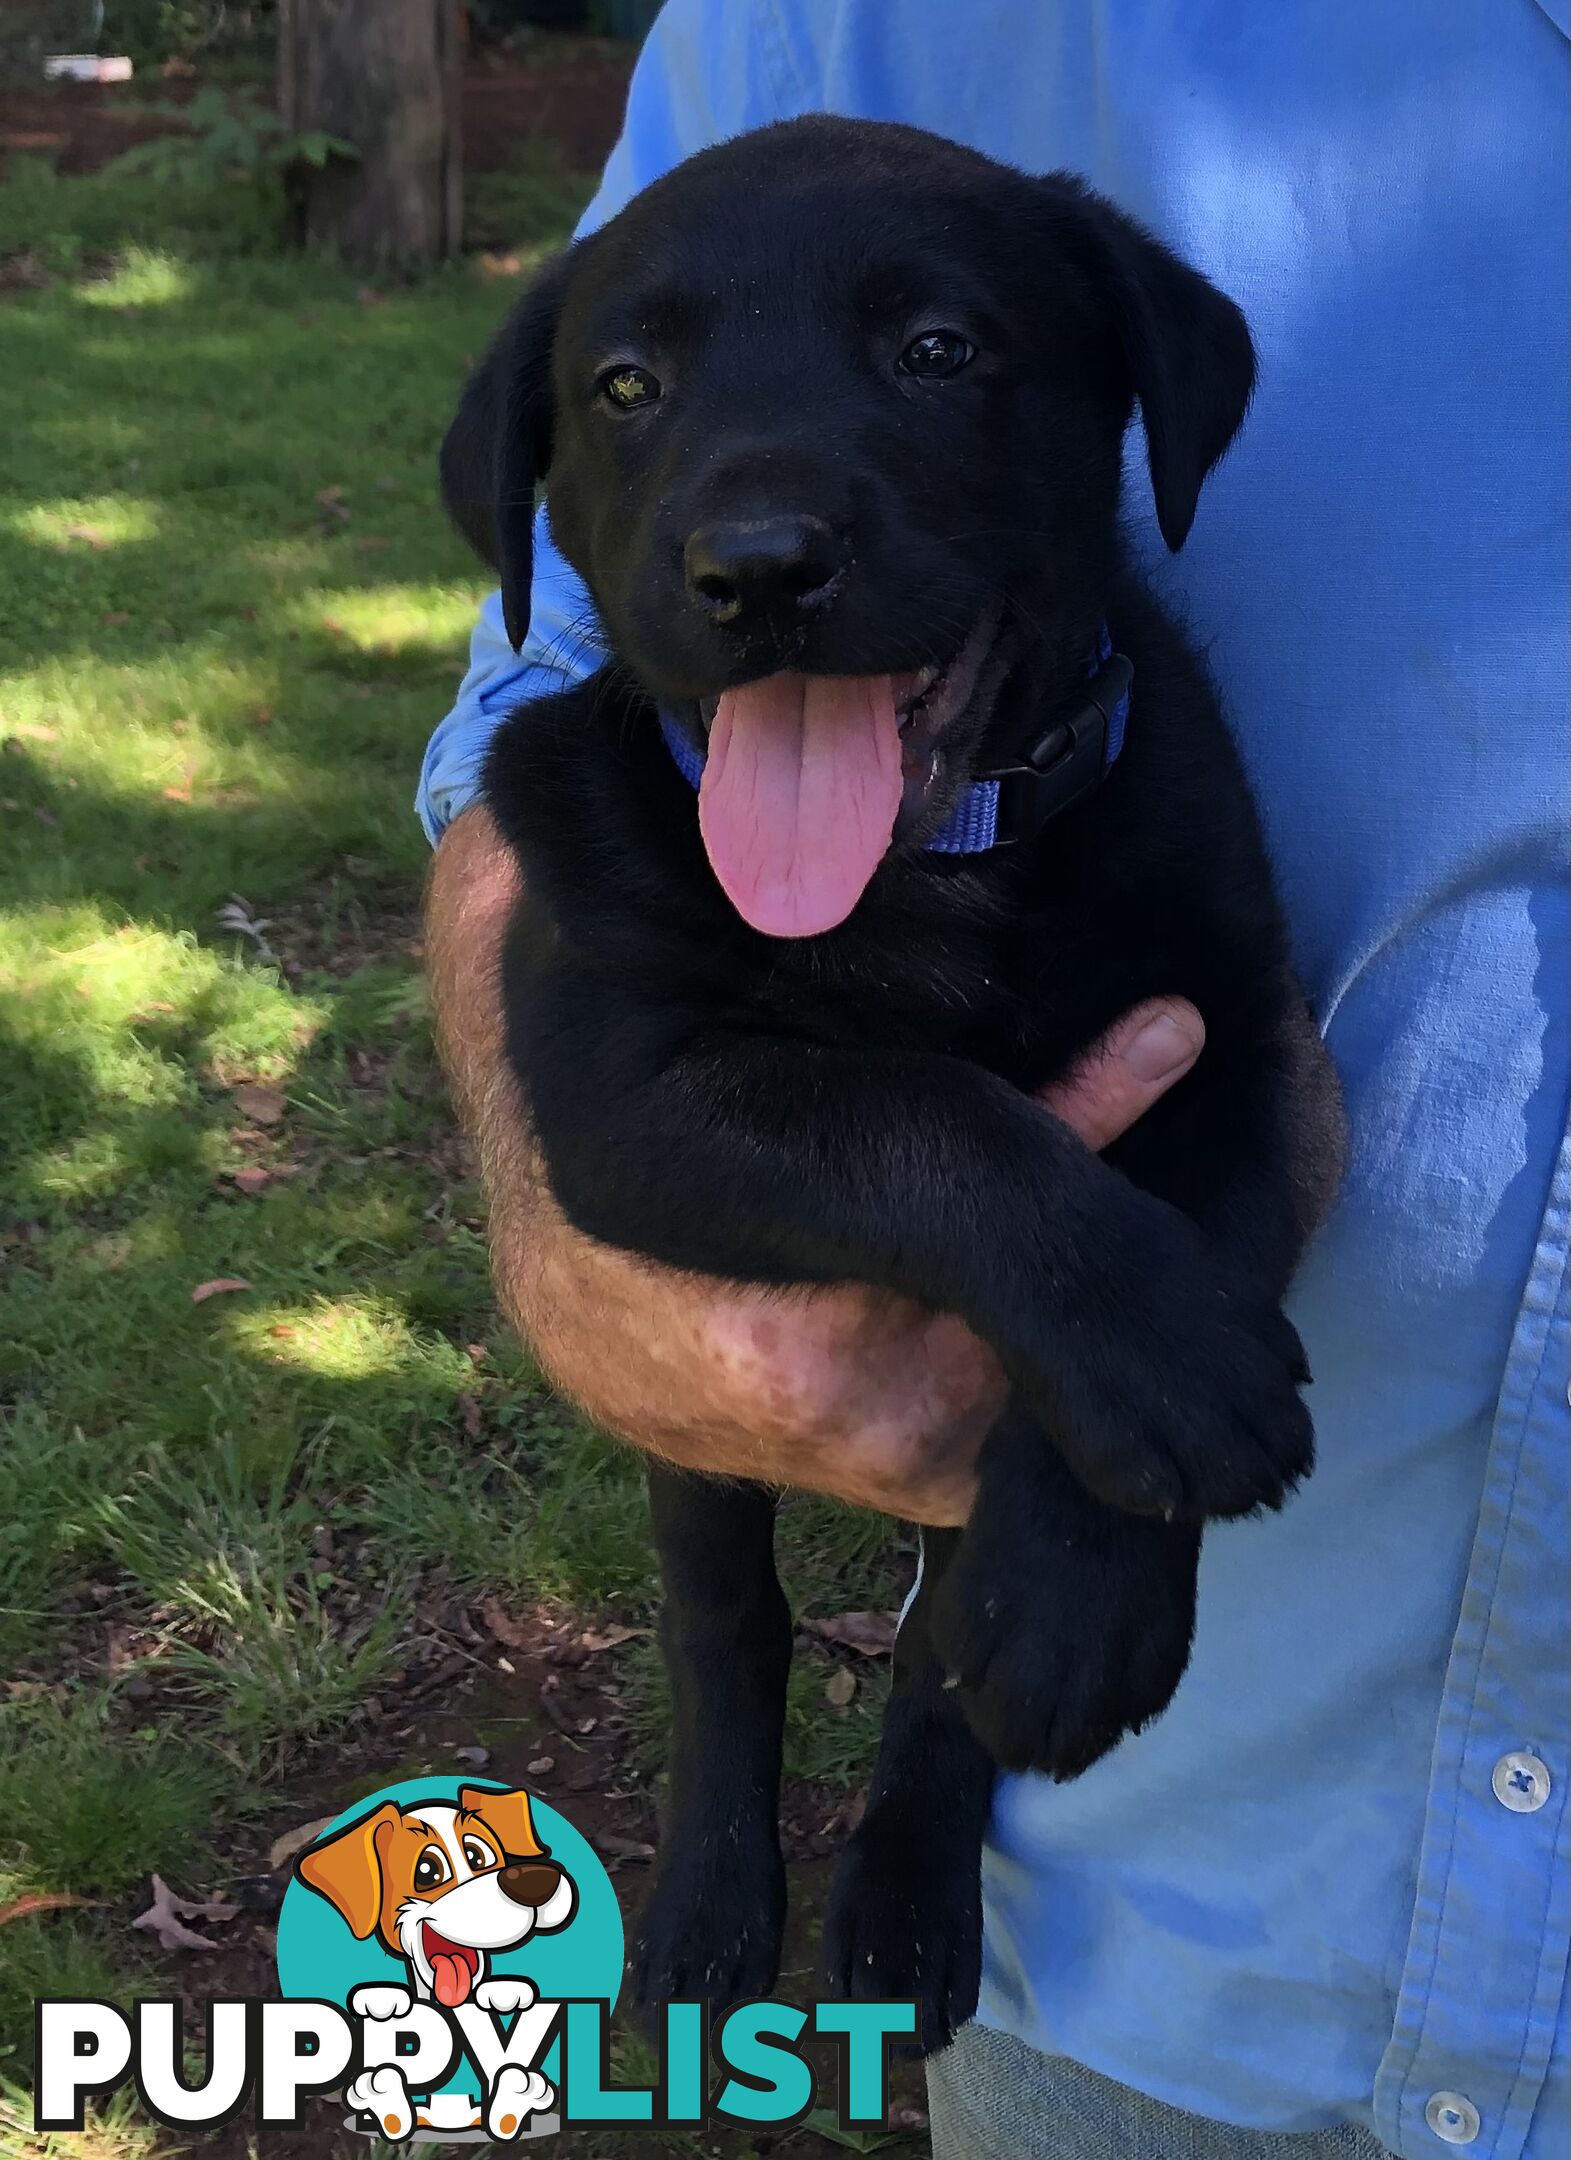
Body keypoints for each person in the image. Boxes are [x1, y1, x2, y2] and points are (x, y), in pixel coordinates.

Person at [419, 4, 1569, 2154]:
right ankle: (722, 1810)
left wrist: (1099, 1464)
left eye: (934, 354)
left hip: (1220, 1833)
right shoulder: (820, 19)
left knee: (1077, 1428)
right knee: (730, 1493)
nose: (755, 528)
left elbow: (1231, 1118)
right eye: (635, 399)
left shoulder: (1146, 775)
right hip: (1169, 1994)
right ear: (544, 495)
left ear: (1133, 410)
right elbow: (643, 1125)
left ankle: (925, 1805)